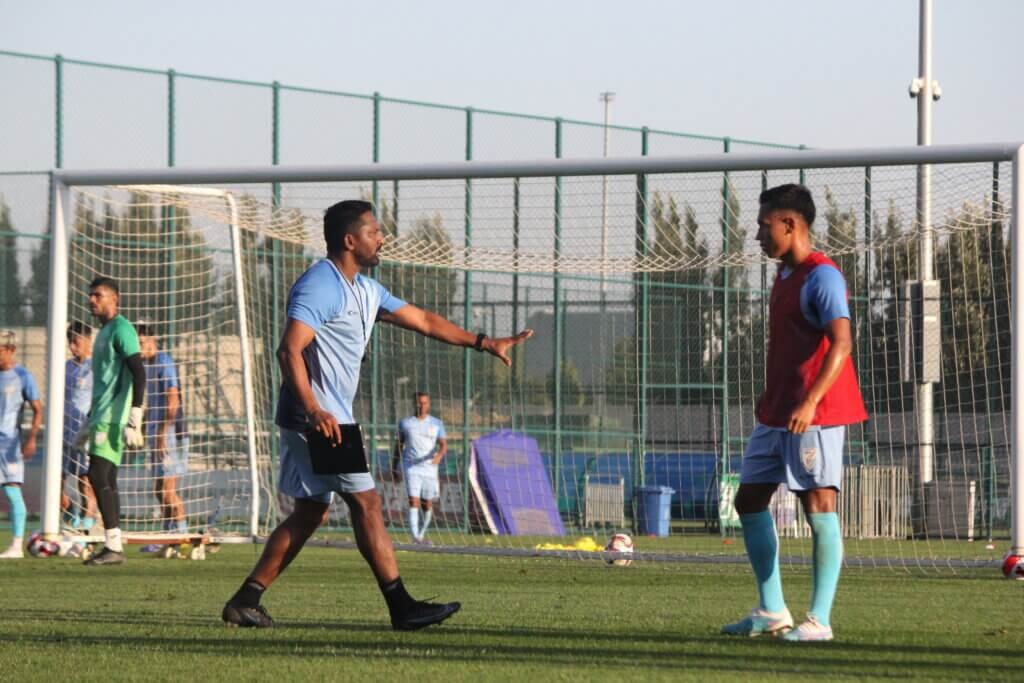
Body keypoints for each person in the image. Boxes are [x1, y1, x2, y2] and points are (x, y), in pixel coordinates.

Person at [222, 199, 533, 629]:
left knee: (311, 512)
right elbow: (288, 349)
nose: (382, 238)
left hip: (316, 417)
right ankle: (402, 608)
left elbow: (423, 319)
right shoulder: (320, 285)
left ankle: (245, 599)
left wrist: (483, 342)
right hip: (319, 420)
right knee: (367, 502)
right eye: (374, 232)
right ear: (350, 241)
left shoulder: (366, 290)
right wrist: (315, 410)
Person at [720, 184, 867, 642]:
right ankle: (771, 610)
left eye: (764, 227)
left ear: (790, 224)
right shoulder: (783, 275)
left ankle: (819, 621)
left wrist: (808, 401)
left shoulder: (823, 277)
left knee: (818, 505)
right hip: (776, 412)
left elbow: (841, 342)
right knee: (748, 500)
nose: (757, 236)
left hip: (814, 414)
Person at [75, 276, 147, 566]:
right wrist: (87, 422)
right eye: (90, 295)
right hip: (101, 416)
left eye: (99, 295)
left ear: (115, 298)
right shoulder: (102, 332)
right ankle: (113, 545)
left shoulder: (121, 329)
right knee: (106, 479)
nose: (92, 299)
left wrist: (135, 416)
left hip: (114, 418)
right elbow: (104, 382)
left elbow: (138, 372)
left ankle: (113, 546)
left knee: (99, 476)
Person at [135, 323, 189, 555]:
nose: (138, 349)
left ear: (152, 340)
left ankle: (182, 535)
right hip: (158, 433)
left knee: (168, 490)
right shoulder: (147, 365)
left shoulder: (164, 362)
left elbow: (173, 400)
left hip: (171, 435)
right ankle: (168, 536)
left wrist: (162, 433)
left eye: (141, 343)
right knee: (159, 490)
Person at [0, 329, 42, 559]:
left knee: (12, 491)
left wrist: (32, 438)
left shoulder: (22, 375)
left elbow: (37, 409)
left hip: (9, 445)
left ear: (10, 350)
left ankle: (16, 546)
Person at [393, 392, 447, 544]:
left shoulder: (437, 423)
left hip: (430, 468)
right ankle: (415, 537)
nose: (422, 406)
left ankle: (421, 533)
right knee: (413, 500)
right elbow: (398, 446)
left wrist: (438, 456)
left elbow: (443, 445)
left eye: (424, 403)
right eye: (419, 403)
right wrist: (394, 466)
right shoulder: (405, 423)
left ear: (429, 404)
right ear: (414, 404)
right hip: (411, 467)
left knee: (427, 504)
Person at [62, 320, 98, 531]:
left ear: (87, 341)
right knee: (56, 483)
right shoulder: (65, 367)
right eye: (70, 342)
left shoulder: (95, 368)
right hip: (63, 433)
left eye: (76, 342)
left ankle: (89, 521)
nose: (72, 347)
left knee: (85, 481)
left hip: (84, 434)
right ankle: (71, 515)